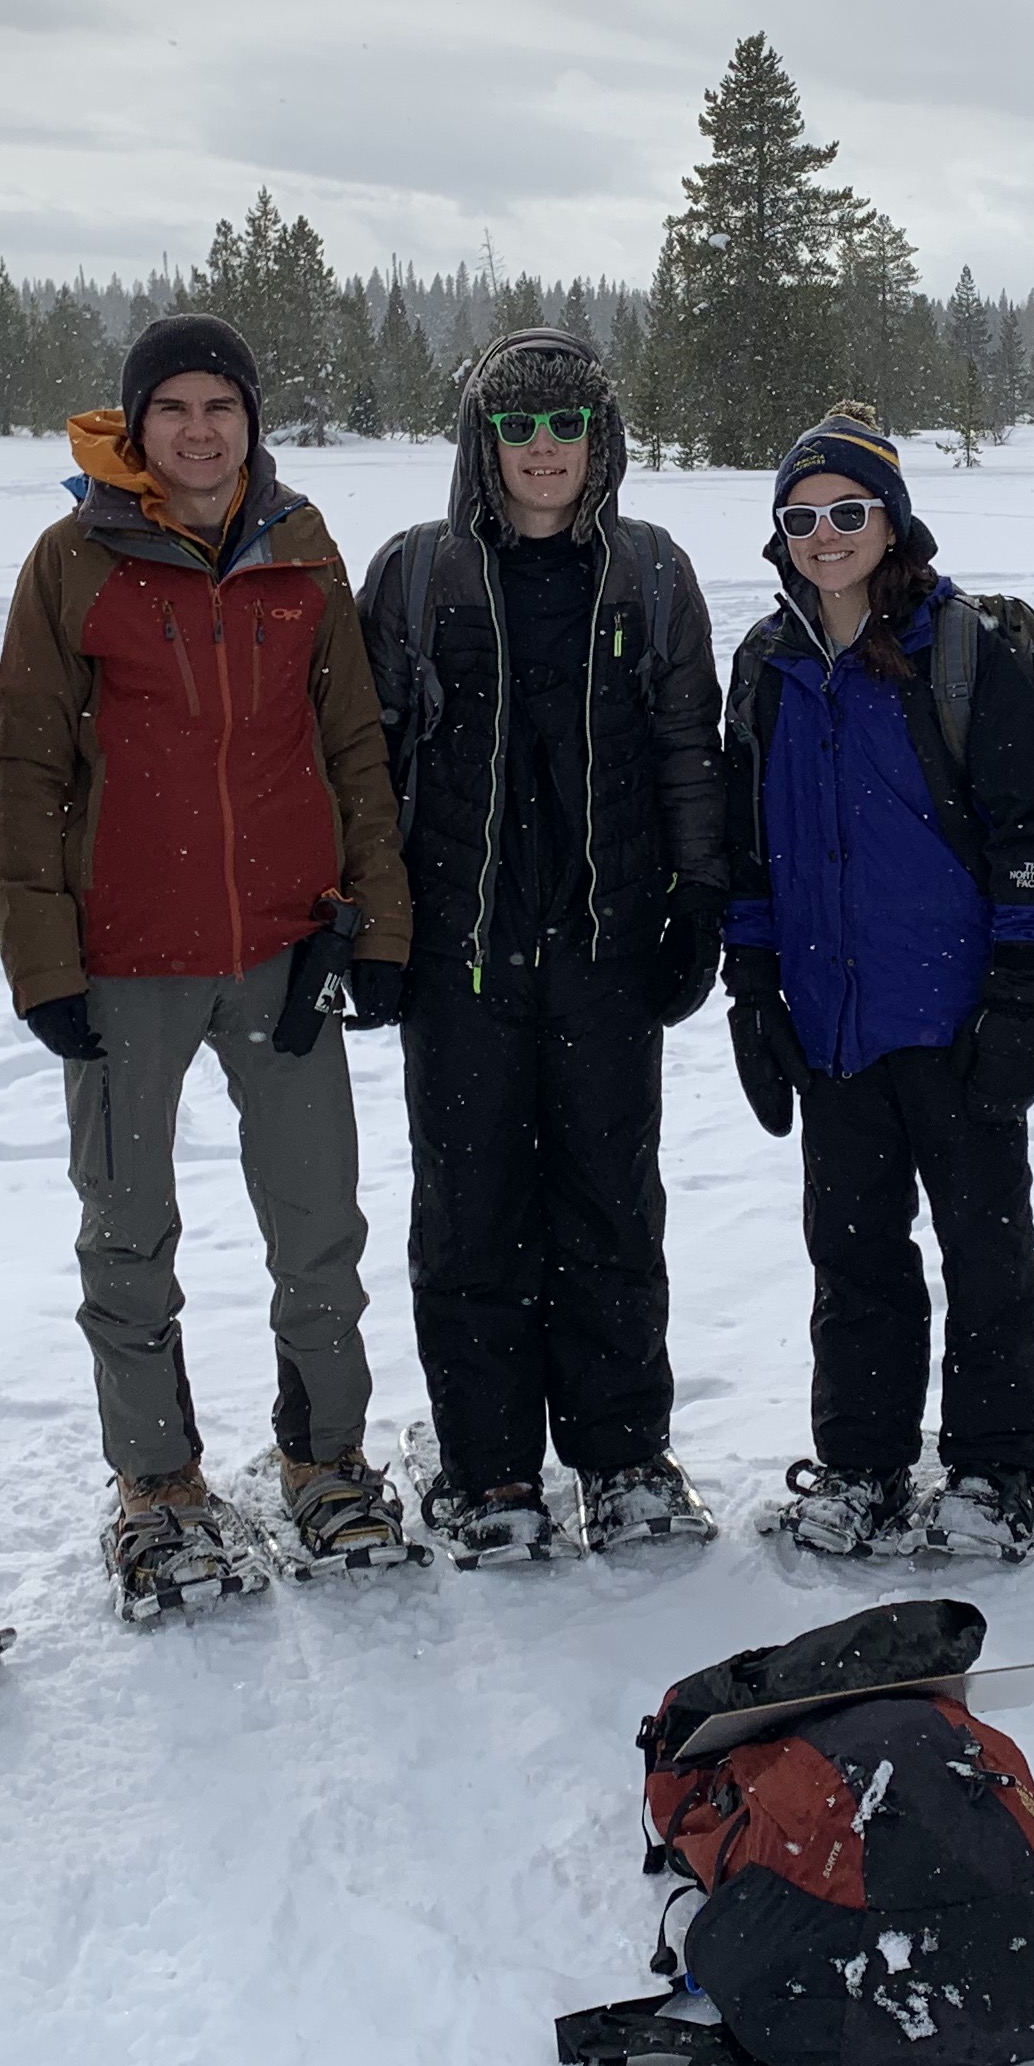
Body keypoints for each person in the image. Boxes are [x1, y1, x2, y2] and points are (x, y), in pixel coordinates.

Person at [0, 311, 419, 1612]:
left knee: (318, 1228)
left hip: (286, 952)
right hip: (125, 962)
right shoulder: (73, 562)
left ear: (252, 421)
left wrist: (375, 928)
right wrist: (43, 960)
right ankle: (157, 1483)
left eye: (220, 406)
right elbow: (27, 771)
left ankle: (325, 1461)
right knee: (127, 1233)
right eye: (172, 408)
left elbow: (355, 751)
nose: (200, 429)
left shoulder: (302, 548)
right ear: (138, 424)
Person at [358, 329, 723, 1559]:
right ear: (483, 443)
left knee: (610, 1206)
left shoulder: (654, 576)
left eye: (567, 426)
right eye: (519, 429)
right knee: (470, 1212)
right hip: (460, 959)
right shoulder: (417, 576)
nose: (545, 451)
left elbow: (689, 754)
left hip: (606, 952)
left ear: (601, 439)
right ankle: (489, 1465)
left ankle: (623, 1454)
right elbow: (366, 771)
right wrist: (378, 931)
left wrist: (700, 904)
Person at [721, 405, 1034, 1563]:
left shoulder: (959, 648)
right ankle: (863, 1461)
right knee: (855, 1250)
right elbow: (748, 850)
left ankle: (996, 1464)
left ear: (891, 520)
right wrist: (752, 986)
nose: (824, 534)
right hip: (831, 1025)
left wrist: (1024, 986)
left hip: (956, 1015)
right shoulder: (767, 667)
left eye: (847, 511)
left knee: (987, 1247)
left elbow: (1033, 835)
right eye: (801, 517)